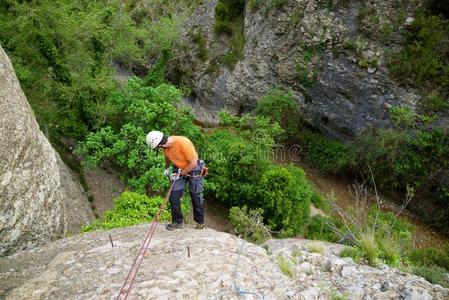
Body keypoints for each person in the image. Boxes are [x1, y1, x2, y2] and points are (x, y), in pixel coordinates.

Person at [146, 130, 205, 230]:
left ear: (160, 144)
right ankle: (177, 222)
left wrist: (181, 173)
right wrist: (166, 167)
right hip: (179, 168)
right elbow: (167, 157)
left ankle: (200, 223)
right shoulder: (166, 147)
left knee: (196, 195)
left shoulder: (183, 143)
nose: (159, 149)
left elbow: (193, 163)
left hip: (194, 169)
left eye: (158, 148)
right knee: (173, 196)